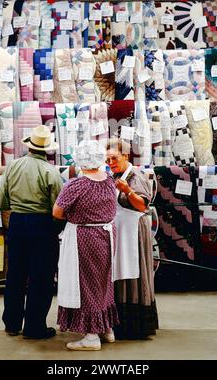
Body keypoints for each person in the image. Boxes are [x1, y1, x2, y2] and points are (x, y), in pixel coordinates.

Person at [0, 125, 63, 339]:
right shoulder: (51, 172)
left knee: (15, 274)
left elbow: (0, 201)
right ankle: (34, 327)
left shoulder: (13, 166)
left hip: (17, 223)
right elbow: (58, 209)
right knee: (40, 277)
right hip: (42, 225)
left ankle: (12, 323)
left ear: (29, 146)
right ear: (48, 150)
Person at [53, 140, 119, 351]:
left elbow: (57, 212)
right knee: (103, 281)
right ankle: (105, 327)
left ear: (79, 159)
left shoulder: (76, 185)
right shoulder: (109, 180)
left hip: (85, 236)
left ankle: (91, 337)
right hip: (107, 234)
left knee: (86, 283)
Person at [106, 137, 159, 340]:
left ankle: (135, 325)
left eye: (114, 158)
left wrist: (127, 190)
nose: (110, 163)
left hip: (133, 231)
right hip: (119, 229)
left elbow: (142, 206)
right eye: (108, 159)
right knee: (120, 271)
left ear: (125, 156)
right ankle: (120, 321)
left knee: (134, 271)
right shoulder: (113, 175)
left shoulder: (136, 176)